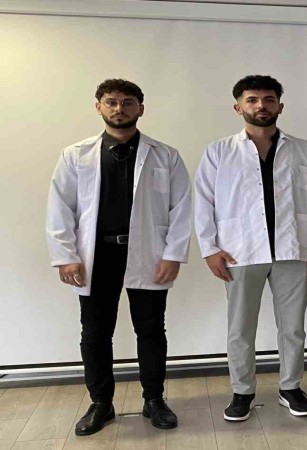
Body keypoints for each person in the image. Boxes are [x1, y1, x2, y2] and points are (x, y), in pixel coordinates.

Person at [47, 79, 191, 435]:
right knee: (95, 333)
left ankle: (154, 400)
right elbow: (60, 207)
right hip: (95, 256)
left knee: (151, 330)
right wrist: (65, 255)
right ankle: (101, 403)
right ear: (98, 106)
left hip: (149, 253)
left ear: (141, 108)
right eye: (111, 102)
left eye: (128, 102)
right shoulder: (75, 155)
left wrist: (173, 254)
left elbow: (182, 209)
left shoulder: (166, 155)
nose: (119, 109)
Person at [195, 75, 307, 419]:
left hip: (294, 249)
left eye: (269, 99)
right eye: (252, 100)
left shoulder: (303, 149)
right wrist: (209, 249)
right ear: (238, 107)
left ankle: (291, 387)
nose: (261, 106)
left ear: (280, 106)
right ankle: (242, 391)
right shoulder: (219, 151)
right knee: (240, 328)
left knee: (293, 327)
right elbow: (203, 202)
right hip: (239, 251)